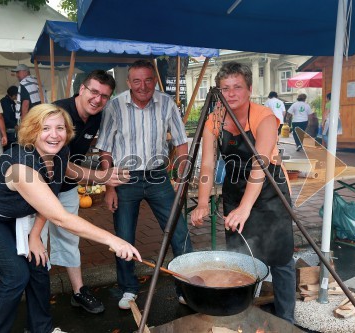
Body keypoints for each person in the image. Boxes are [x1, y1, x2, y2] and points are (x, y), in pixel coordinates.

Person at [0, 104, 141, 333]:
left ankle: (41, 329)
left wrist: (101, 176)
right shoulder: (23, 167)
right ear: (32, 131)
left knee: (38, 265)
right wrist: (113, 240)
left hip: (14, 209)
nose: (54, 134)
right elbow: (59, 217)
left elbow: (65, 172)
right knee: (16, 275)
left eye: (60, 128)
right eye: (45, 128)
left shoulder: (59, 152)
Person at [190, 62, 295, 323]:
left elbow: (260, 163)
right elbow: (207, 163)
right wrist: (202, 202)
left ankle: (286, 319)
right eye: (225, 88)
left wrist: (246, 208)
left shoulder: (264, 117)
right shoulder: (214, 119)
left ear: (249, 89)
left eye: (237, 87)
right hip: (235, 191)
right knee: (242, 257)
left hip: (270, 193)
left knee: (281, 259)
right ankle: (245, 315)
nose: (231, 93)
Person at [96, 59, 193, 310]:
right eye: (136, 81)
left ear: (154, 81)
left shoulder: (166, 103)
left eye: (148, 80)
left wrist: (182, 174)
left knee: (178, 231)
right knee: (124, 235)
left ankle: (187, 287)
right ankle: (128, 288)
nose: (143, 86)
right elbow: (105, 149)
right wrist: (109, 187)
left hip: (158, 175)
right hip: (124, 177)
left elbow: (181, 142)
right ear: (129, 83)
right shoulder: (115, 106)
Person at [48, 70, 116, 314]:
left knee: (69, 236)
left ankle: (78, 291)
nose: (98, 99)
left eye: (105, 96)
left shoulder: (97, 116)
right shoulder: (58, 112)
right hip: (38, 187)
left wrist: (107, 182)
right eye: (94, 92)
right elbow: (60, 164)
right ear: (82, 89)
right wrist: (101, 177)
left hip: (65, 187)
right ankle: (35, 293)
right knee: (32, 240)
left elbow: (100, 148)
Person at [1, 86, 18, 151]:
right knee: (9, 149)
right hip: (7, 130)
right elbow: (5, 117)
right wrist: (14, 125)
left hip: (12, 130)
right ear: (14, 95)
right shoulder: (4, 102)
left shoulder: (12, 102)